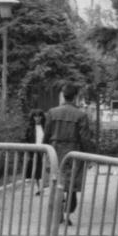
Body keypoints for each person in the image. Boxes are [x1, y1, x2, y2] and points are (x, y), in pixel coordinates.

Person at [44, 84, 93, 224]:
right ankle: (68, 215)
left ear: (63, 95)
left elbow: (47, 134)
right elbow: (85, 138)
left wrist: (44, 150)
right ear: (76, 97)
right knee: (71, 186)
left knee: (56, 182)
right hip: (74, 152)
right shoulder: (81, 115)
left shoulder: (52, 112)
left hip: (55, 151)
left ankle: (58, 213)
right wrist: (89, 157)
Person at [23, 108, 48, 192]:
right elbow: (25, 139)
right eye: (35, 116)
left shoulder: (46, 127)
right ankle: (39, 188)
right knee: (37, 170)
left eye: (39, 116)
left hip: (45, 150)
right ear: (33, 117)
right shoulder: (29, 128)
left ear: (42, 117)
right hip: (34, 150)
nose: (37, 118)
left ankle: (45, 186)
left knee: (45, 169)